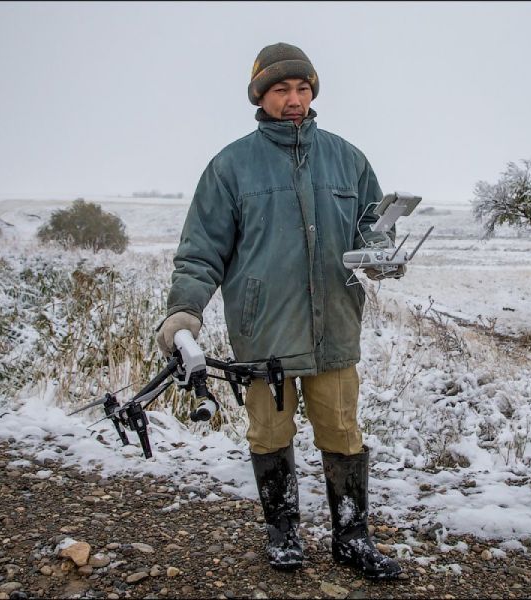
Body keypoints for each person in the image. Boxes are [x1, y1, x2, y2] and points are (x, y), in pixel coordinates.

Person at [155, 42, 403, 580]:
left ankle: (352, 536)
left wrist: (382, 253)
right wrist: (184, 315)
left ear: (313, 91)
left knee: (342, 430)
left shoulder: (348, 159)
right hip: (262, 336)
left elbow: (372, 230)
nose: (294, 99)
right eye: (280, 90)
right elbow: (201, 253)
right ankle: (284, 532)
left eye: (302, 88)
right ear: (260, 95)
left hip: (334, 328)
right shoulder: (230, 166)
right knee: (269, 434)